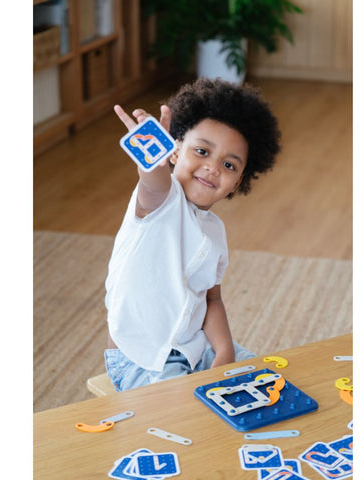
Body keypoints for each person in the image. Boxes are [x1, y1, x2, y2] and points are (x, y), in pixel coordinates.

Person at [104, 78, 281, 391]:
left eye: (228, 164)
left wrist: (225, 351)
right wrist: (152, 155)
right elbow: (153, 180)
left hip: (195, 348)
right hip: (141, 358)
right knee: (190, 416)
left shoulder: (215, 231)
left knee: (263, 380)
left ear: (238, 182)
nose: (212, 167)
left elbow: (212, 299)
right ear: (174, 152)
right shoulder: (160, 201)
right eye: (201, 151)